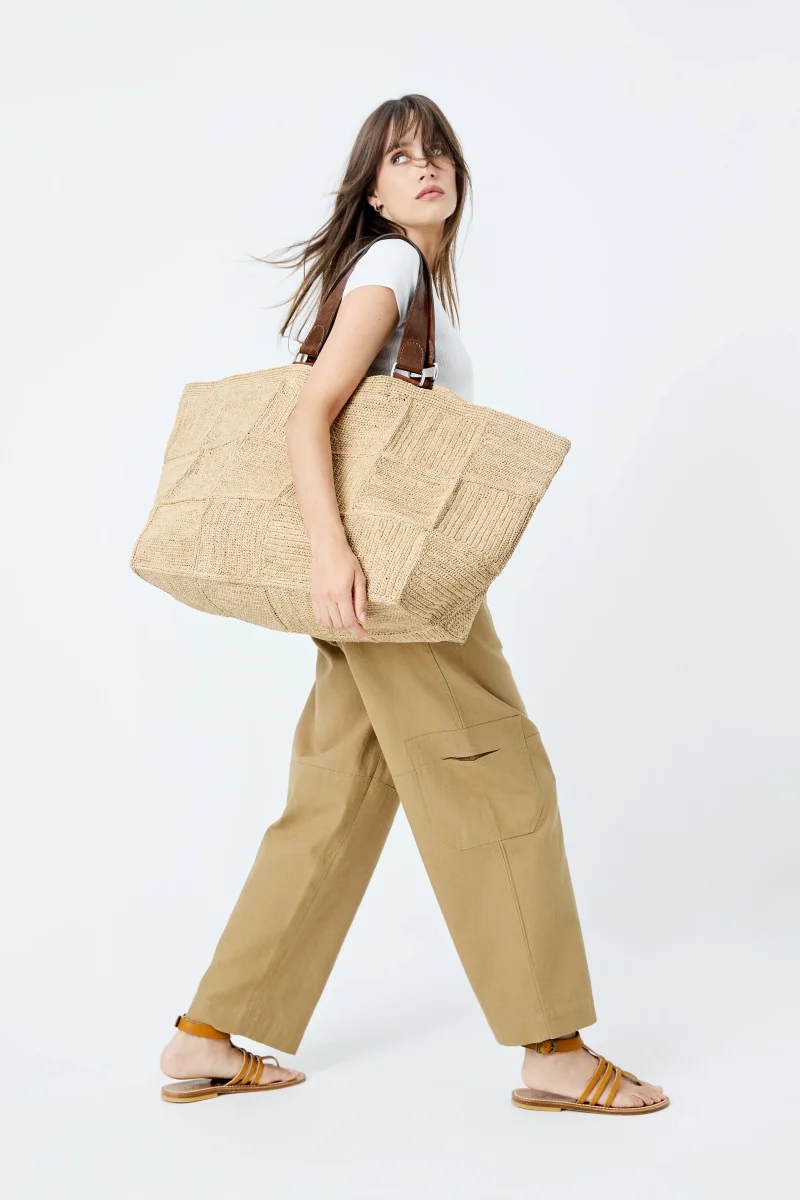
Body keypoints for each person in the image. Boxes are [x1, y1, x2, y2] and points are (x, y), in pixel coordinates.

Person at [159, 94, 668, 1115]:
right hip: (387, 585)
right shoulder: (391, 266)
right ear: (374, 189)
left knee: (334, 798)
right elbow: (311, 414)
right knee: (498, 779)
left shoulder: (404, 277)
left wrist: (334, 563)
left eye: (437, 152)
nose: (425, 167)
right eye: (399, 157)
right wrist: (332, 552)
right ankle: (553, 1050)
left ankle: (205, 1036)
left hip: (364, 586)